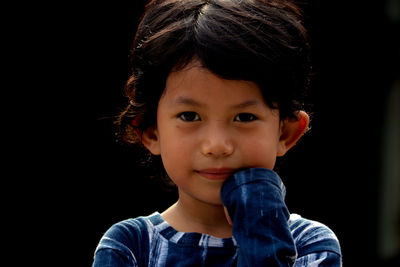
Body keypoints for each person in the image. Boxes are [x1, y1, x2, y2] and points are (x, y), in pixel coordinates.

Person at [93, 0, 342, 266]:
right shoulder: (130, 246)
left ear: (286, 133)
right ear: (151, 130)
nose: (217, 145)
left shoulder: (309, 243)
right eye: (190, 116)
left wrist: (259, 217)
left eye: (244, 117)